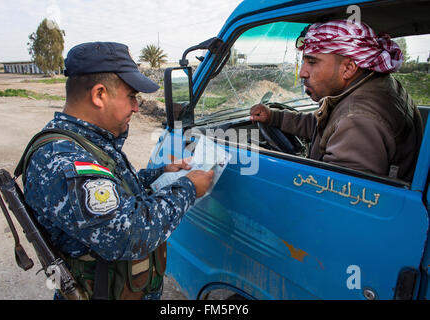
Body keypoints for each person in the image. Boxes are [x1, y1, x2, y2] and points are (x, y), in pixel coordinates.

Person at [21, 42, 214, 300]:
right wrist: (188, 187)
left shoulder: (88, 140)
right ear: (99, 95)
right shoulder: (63, 159)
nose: (136, 107)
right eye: (131, 97)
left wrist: (160, 173)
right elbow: (129, 235)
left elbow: (114, 189)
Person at [250, 20, 423, 182]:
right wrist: (274, 117)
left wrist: (269, 165)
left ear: (348, 68)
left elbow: (336, 197)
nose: (302, 73)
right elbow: (324, 126)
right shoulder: (375, 86)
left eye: (312, 62)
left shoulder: (356, 119)